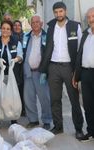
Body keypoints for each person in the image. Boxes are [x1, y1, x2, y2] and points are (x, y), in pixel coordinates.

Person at [38, 2, 85, 140]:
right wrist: (44, 69)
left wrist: (77, 71)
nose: (58, 14)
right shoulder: (51, 26)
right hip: (53, 67)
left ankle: (78, 129)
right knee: (55, 99)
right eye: (56, 12)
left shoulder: (74, 26)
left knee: (74, 99)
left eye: (60, 11)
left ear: (65, 11)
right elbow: (47, 49)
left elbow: (80, 49)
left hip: (69, 67)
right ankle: (58, 126)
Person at [0, 20, 23, 127]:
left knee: (11, 96)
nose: (5, 31)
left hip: (12, 74)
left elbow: (20, 55)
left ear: (11, 31)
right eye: (3, 28)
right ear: (0, 29)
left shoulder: (16, 42)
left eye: (8, 29)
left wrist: (15, 60)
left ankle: (13, 118)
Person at [22, 15, 52, 130]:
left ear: (41, 23)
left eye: (37, 22)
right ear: (30, 24)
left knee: (44, 98)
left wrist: (46, 70)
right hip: (28, 72)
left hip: (41, 73)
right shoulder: (26, 37)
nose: (35, 24)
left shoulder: (46, 36)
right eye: (33, 22)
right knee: (28, 98)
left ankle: (47, 120)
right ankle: (33, 120)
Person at [73, 7, 94, 141]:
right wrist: (76, 75)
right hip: (86, 74)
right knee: (88, 105)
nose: (91, 19)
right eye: (89, 17)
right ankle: (91, 131)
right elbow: (80, 55)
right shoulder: (86, 34)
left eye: (93, 16)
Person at [12, 20, 25, 116]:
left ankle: (23, 109)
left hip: (24, 65)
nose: (17, 27)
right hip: (14, 65)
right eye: (15, 25)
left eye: (19, 25)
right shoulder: (10, 38)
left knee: (23, 88)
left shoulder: (26, 36)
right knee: (15, 87)